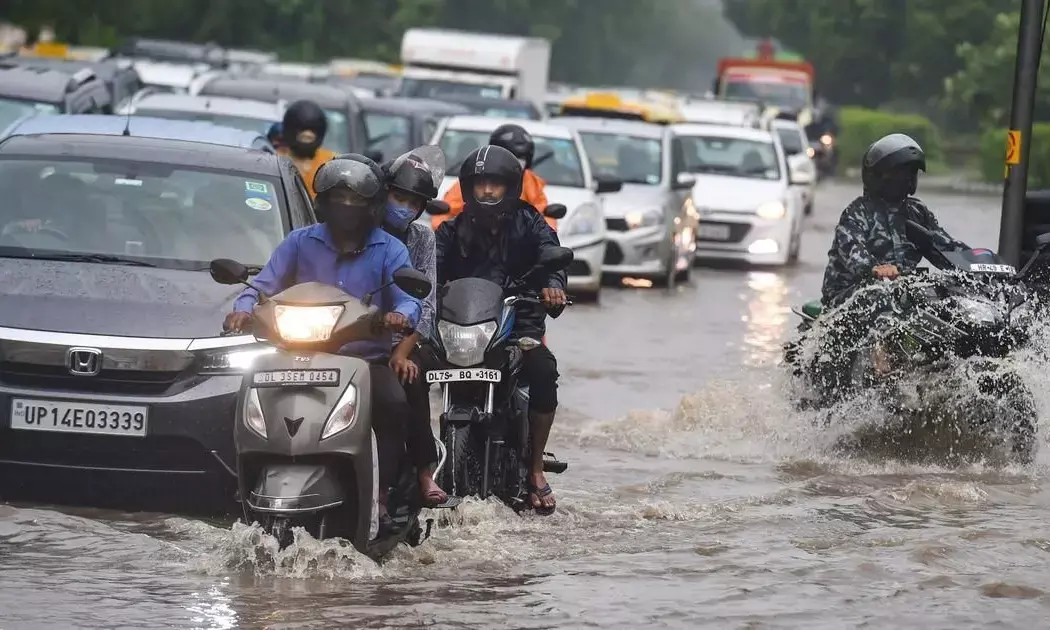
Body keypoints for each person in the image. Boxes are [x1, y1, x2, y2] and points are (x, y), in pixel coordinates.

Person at [222, 154, 421, 527]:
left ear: (372, 205)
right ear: (324, 202)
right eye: (338, 197)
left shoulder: (390, 249)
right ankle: (239, 486)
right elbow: (262, 285)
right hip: (294, 355)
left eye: (355, 199)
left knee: (393, 405)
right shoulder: (299, 242)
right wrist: (243, 309)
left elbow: (409, 298)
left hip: (363, 362)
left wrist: (401, 315)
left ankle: (381, 494)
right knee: (241, 399)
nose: (346, 206)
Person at [434, 145, 568, 515]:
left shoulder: (530, 223)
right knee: (409, 371)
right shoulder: (452, 230)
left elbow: (552, 258)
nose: (488, 191)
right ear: (468, 188)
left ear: (510, 187)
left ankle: (535, 468)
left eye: (495, 184)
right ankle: (416, 471)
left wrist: (553, 286)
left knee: (544, 371)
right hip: (464, 329)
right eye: (481, 184)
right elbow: (431, 270)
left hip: (518, 326)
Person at [813, 133, 968, 395]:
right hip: (851, 293)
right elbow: (851, 249)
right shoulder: (857, 212)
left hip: (900, 291)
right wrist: (875, 268)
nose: (905, 178)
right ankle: (880, 360)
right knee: (882, 293)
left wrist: (980, 264)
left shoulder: (917, 213)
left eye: (910, 173)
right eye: (898, 172)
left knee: (949, 301)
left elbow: (945, 246)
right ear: (878, 176)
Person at [378, 147, 449, 507]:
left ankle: (424, 470)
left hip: (410, 337)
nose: (404, 208)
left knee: (412, 378)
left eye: (413, 203)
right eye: (398, 198)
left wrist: (403, 350)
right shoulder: (361, 231)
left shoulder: (422, 238)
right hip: (359, 334)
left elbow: (427, 302)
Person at [433, 124, 555, 231]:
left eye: (521, 158)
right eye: (510, 157)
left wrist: (545, 239)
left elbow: (544, 214)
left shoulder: (531, 181)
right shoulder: (474, 179)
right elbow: (446, 212)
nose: (488, 189)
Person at [278, 100, 336, 198]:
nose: (307, 135)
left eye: (312, 131)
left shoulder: (331, 163)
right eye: (302, 131)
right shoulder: (276, 162)